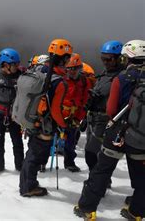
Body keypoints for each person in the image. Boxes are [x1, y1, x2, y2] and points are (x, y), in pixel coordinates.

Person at [75, 39, 145, 220]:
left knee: (102, 170)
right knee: (142, 176)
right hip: (141, 136)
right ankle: (136, 212)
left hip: (117, 132)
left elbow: (111, 110)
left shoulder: (121, 78)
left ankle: (87, 208)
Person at [19, 39, 73, 197]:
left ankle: (27, 183)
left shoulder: (39, 70)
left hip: (33, 118)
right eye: (67, 58)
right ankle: (28, 186)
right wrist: (64, 125)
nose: (68, 61)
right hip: (45, 124)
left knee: (32, 153)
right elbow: (56, 110)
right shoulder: (59, 82)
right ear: (62, 59)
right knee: (37, 155)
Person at [84, 41, 124, 171]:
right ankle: (100, 181)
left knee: (92, 153)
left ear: (119, 58)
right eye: (103, 58)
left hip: (106, 120)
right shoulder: (105, 74)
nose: (105, 62)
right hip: (93, 117)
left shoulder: (122, 77)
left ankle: (98, 182)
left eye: (109, 59)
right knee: (93, 152)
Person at [57, 53, 92, 172]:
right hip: (59, 114)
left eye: (75, 68)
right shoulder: (61, 79)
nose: (72, 71)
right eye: (69, 68)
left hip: (74, 116)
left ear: (79, 68)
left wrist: (79, 118)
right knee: (50, 140)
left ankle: (69, 162)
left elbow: (85, 101)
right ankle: (41, 162)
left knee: (70, 141)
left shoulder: (84, 81)